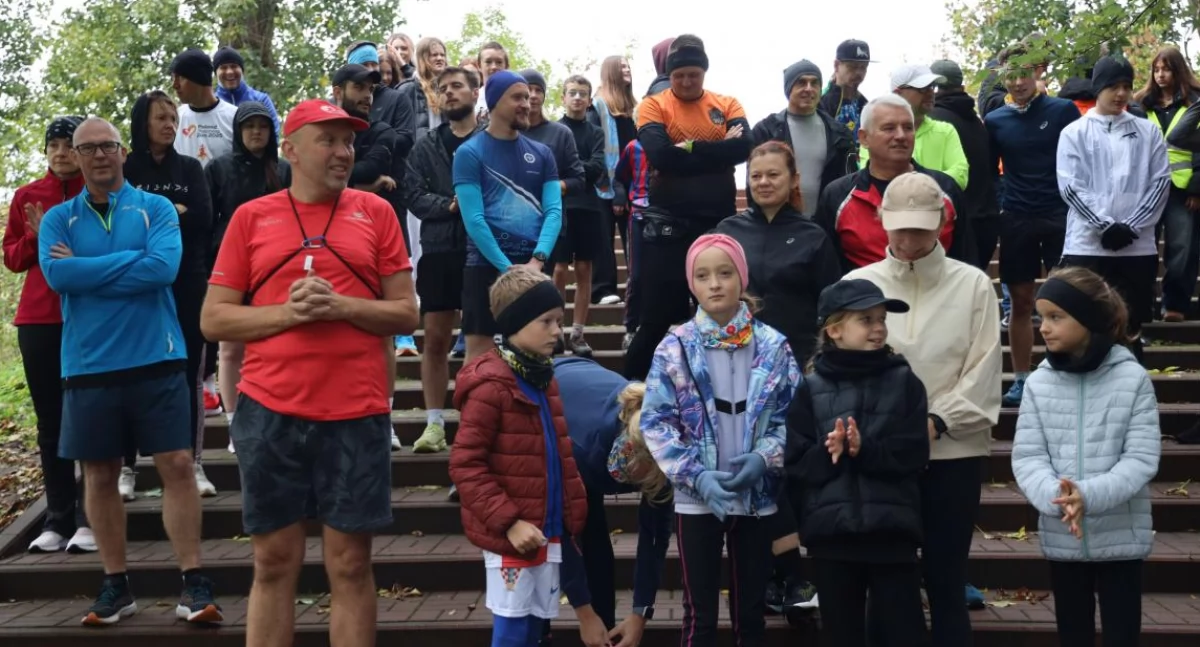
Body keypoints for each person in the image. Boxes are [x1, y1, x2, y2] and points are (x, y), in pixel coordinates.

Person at [199, 99, 418, 647]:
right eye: (329, 140)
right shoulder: (252, 217)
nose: (344, 152)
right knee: (273, 561)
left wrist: (340, 306)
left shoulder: (376, 212)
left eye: (349, 142)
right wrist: (290, 314)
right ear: (291, 150)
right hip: (270, 411)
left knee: (351, 563)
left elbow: (406, 313)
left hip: (357, 411)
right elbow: (214, 319)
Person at [39, 117, 218, 627]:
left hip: (157, 355)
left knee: (177, 464)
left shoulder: (155, 208)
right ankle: (115, 584)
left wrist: (87, 270)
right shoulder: (57, 219)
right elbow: (57, 275)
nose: (99, 155)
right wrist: (128, 263)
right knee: (98, 473)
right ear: (76, 157)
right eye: (87, 148)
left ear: (122, 152)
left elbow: (163, 269)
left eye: (108, 146)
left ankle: (193, 580)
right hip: (88, 362)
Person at [845, 172, 1001, 647]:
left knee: (946, 579)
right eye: (901, 227)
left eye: (921, 228)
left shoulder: (974, 285)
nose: (910, 239)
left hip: (953, 454)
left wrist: (937, 421)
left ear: (942, 222)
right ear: (881, 221)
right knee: (885, 583)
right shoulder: (857, 284)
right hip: (882, 456)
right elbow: (840, 370)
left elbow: (983, 369)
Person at [641, 234, 800, 647]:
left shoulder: (774, 346)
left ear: (741, 278)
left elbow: (793, 416)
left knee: (751, 613)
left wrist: (766, 457)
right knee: (700, 615)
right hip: (697, 498)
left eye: (725, 273)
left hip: (756, 496)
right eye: (703, 275)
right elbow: (656, 421)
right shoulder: (675, 347)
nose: (714, 284)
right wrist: (694, 475)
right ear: (691, 284)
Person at [717, 141, 838, 619]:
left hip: (796, 371)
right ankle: (777, 575)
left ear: (793, 180)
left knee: (783, 469)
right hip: (736, 371)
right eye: (756, 175)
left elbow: (829, 308)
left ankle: (790, 574)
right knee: (754, 470)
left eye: (773, 174)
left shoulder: (813, 236)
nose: (764, 182)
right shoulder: (727, 233)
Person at [1011, 267, 1161, 647]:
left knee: (1121, 633)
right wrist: (1058, 497)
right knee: (1073, 632)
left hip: (1121, 536)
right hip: (1064, 535)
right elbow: (1028, 456)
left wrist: (1087, 496)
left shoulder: (1132, 379)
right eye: (1041, 317)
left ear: (1089, 319)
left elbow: (1141, 458)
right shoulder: (1039, 382)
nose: (1044, 328)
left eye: (1056, 316)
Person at [447, 266, 592, 647]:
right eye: (546, 321)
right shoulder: (491, 386)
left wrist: (570, 511)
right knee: (512, 631)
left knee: (533, 628)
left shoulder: (543, 377)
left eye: (559, 321)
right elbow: (465, 464)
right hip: (514, 534)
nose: (557, 331)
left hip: (546, 529)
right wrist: (509, 522)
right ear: (516, 322)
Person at [786, 279, 930, 647]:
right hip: (833, 537)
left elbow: (914, 453)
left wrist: (865, 451)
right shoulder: (810, 388)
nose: (879, 327)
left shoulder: (905, 382)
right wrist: (829, 451)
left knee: (904, 633)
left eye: (882, 319)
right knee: (841, 634)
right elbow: (796, 464)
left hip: (891, 534)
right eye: (866, 320)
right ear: (834, 330)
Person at [624, 34, 754, 380]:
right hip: (668, 228)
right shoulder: (654, 105)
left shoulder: (727, 103)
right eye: (678, 75)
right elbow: (661, 156)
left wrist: (688, 147)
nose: (685, 82)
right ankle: (628, 390)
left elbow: (744, 148)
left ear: (704, 73)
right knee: (656, 319)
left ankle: (723, 384)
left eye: (693, 75)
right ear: (670, 74)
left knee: (719, 312)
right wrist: (716, 150)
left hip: (717, 224)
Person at [5, 116, 93, 554]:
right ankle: (58, 518)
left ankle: (91, 518)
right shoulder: (27, 196)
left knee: (91, 416)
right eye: (53, 145)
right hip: (39, 320)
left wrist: (60, 238)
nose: (60, 153)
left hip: (90, 317)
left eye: (68, 145)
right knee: (51, 423)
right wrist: (36, 238)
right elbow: (12, 259)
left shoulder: (97, 192)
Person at [123, 90, 216, 497]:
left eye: (173, 119)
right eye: (160, 118)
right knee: (130, 372)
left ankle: (194, 463)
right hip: (137, 283)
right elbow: (122, 223)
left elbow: (203, 219)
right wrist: (171, 210)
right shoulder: (126, 168)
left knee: (189, 373)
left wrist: (152, 213)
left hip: (188, 281)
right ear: (142, 122)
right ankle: (128, 466)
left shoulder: (190, 168)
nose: (169, 125)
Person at [985, 40, 1081, 407]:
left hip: (1059, 213)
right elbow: (990, 172)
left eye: (1024, 73)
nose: (1017, 82)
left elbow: (1081, 160)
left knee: (1064, 297)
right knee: (1021, 302)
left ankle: (1064, 371)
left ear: (1038, 71)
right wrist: (1001, 205)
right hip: (1017, 217)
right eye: (1010, 75)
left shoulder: (1063, 110)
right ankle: (1021, 379)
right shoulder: (995, 120)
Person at [550, 357, 671, 645]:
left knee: (596, 536)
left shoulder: (666, 448)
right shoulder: (581, 447)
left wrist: (640, 613)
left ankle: (606, 633)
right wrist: (584, 614)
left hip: (590, 396)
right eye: (642, 479)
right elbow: (560, 530)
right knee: (581, 526)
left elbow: (654, 538)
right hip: (554, 395)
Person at [1057, 55, 1170, 363]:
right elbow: (1070, 186)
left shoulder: (1148, 132)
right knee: (1085, 325)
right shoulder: (1074, 132)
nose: (1121, 94)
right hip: (1087, 246)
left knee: (1131, 327)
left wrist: (1131, 226)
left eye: (1126, 87)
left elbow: (1160, 182)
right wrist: (1104, 225)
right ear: (1098, 88)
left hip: (1137, 248)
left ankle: (1131, 381)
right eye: (1113, 86)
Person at [452, 70, 562, 361]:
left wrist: (537, 261)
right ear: (495, 102)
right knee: (479, 356)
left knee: (538, 354)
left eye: (527, 97)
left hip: (533, 265)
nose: (527, 103)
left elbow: (554, 211)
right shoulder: (469, 152)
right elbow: (473, 219)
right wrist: (507, 268)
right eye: (518, 97)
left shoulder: (542, 153)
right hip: (484, 268)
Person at [404, 66, 484, 454]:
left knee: (478, 339)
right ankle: (434, 424)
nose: (449, 93)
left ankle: (473, 423)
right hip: (437, 249)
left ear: (475, 92)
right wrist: (448, 205)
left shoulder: (491, 140)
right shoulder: (425, 146)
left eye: (457, 86)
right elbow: (413, 195)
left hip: (481, 250)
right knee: (435, 338)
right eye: (443, 88)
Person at [205, 101, 291, 453]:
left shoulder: (284, 169)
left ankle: (278, 421)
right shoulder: (219, 167)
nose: (256, 132)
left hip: (279, 265)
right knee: (230, 349)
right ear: (238, 131)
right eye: (249, 126)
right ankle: (235, 425)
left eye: (263, 125)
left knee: (279, 344)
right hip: (231, 264)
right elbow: (208, 219)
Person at [815, 94, 970, 273]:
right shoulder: (838, 196)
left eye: (908, 127)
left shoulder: (944, 190)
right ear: (864, 138)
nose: (901, 136)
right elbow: (828, 269)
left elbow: (965, 262)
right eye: (889, 128)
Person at [1136, 47, 1200, 322]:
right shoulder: (1140, 105)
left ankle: (1174, 304)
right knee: (1143, 248)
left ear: (1178, 70)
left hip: (1182, 189)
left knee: (1182, 247)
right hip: (1146, 188)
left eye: (1166, 69)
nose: (1160, 75)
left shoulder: (1194, 103)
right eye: (1156, 70)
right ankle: (1143, 304)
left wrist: (1197, 188)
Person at [749, 59, 857, 215]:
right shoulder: (766, 131)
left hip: (825, 223)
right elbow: (753, 181)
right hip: (778, 222)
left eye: (814, 83)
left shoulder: (839, 134)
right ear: (789, 89)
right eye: (801, 83)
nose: (809, 88)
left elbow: (849, 182)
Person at [930, 59, 999, 271]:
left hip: (957, 225)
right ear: (961, 86)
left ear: (933, 87)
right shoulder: (978, 123)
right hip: (987, 221)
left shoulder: (933, 123)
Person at [556, 74, 608, 356]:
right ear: (563, 97)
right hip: (561, 207)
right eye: (572, 92)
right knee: (559, 269)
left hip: (588, 206)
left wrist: (571, 169)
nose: (577, 98)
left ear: (589, 101)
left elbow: (597, 167)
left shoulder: (596, 133)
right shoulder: (555, 130)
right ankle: (555, 328)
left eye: (582, 94)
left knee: (585, 269)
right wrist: (579, 169)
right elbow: (553, 167)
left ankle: (577, 333)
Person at [859, 65, 969, 191]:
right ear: (897, 93)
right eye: (922, 88)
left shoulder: (945, 130)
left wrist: (914, 186)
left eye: (932, 87)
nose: (930, 93)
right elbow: (872, 176)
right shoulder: (874, 132)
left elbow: (960, 176)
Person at [589, 55, 640, 307]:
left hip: (634, 185)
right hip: (604, 184)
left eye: (628, 66)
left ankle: (637, 287)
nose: (627, 70)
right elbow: (597, 148)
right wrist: (613, 185)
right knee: (602, 238)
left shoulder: (635, 107)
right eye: (621, 67)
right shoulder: (598, 105)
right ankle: (602, 289)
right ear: (610, 72)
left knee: (635, 239)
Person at [170, 47, 238, 168]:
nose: (174, 85)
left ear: (199, 78)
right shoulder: (174, 119)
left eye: (180, 78)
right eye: (173, 78)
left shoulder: (235, 117)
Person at [212, 46, 281, 135]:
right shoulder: (212, 104)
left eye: (234, 66)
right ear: (216, 73)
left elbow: (274, 135)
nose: (229, 72)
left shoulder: (261, 100)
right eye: (223, 67)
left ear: (242, 70)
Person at [819, 39, 873, 144]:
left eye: (863, 67)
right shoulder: (822, 102)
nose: (858, 73)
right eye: (852, 67)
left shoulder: (865, 104)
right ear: (836, 65)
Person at [476, 41, 511, 118]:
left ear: (506, 66)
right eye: (488, 62)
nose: (494, 67)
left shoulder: (516, 99)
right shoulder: (472, 100)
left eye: (499, 62)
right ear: (479, 66)